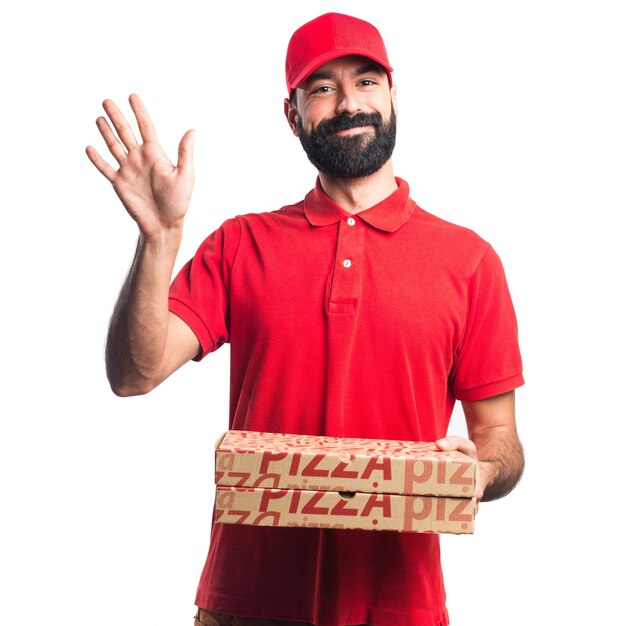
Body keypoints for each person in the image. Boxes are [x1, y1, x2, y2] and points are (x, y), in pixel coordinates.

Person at [86, 12, 525, 626]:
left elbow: (500, 438)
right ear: (291, 114)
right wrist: (159, 239)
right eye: (322, 88)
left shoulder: (471, 261)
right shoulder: (241, 244)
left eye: (367, 82)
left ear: (393, 96)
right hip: (244, 607)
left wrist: (480, 470)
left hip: (398, 608)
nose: (350, 103)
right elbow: (134, 375)